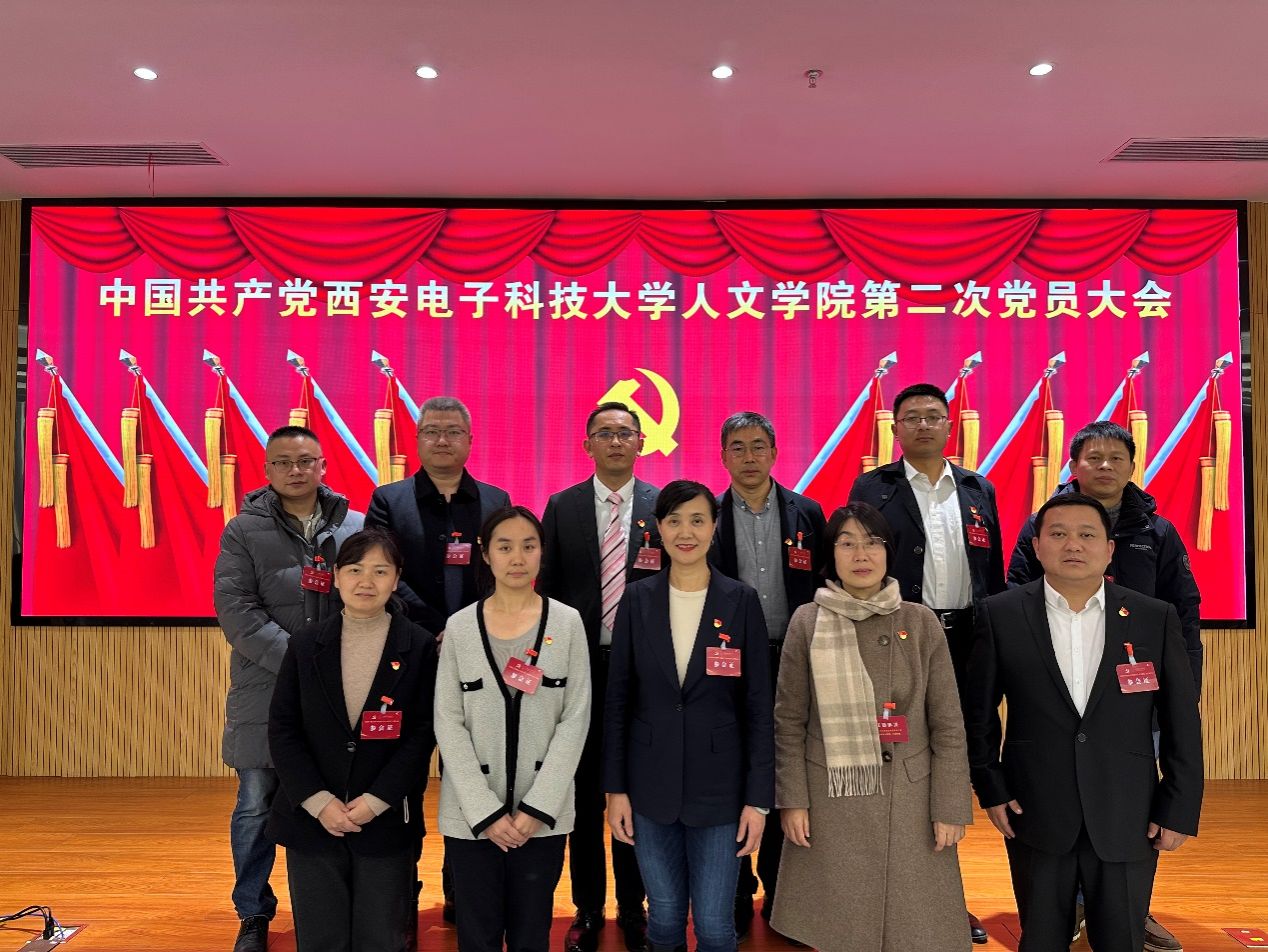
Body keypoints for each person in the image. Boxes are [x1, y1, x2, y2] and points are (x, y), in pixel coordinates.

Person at [967, 493, 1204, 952]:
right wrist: (991, 787)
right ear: (1037, 547)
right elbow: (978, 714)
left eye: (1087, 534)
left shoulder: (1153, 617)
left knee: (1122, 939)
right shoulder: (1001, 614)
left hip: (1128, 811)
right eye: (1058, 534)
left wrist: (1179, 805)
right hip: (1033, 810)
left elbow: (1181, 719)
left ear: (1109, 549)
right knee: (1041, 939)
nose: (1072, 544)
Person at [769, 502, 972, 950]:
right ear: (832, 554)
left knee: (912, 932)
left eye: (872, 542)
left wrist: (951, 805)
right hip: (830, 796)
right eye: (847, 543)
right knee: (839, 929)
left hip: (910, 800)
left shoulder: (920, 622)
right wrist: (793, 801)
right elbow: (789, 721)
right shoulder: (808, 621)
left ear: (888, 552)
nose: (861, 554)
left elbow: (948, 725)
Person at [849, 381, 1004, 944]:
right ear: (895, 429)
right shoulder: (874, 487)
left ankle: (946, 896)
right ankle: (890, 893)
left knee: (955, 760)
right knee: (903, 760)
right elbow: (858, 564)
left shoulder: (977, 488)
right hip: (902, 636)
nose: (922, 425)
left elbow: (993, 573)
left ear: (949, 425)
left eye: (933, 416)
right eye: (911, 417)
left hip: (969, 641)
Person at [604, 480, 775, 952]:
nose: (686, 532)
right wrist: (615, 790)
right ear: (658, 528)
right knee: (663, 920)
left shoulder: (740, 601)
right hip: (649, 786)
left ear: (714, 527)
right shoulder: (637, 599)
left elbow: (759, 707)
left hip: (721, 791)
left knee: (716, 926)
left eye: (698, 520)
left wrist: (758, 800)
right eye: (674, 521)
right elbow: (618, 701)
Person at [214, 425, 365, 952]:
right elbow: (237, 612)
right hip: (266, 689)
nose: (295, 471)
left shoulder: (355, 527)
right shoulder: (242, 531)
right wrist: (303, 661)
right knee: (256, 804)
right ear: (267, 471)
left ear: (323, 465)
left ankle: (327, 906)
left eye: (305, 461)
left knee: (333, 802)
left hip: (338, 690)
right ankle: (253, 912)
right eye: (283, 462)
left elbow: (369, 600)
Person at [364, 394, 510, 921]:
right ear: (418, 440)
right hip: (410, 654)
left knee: (471, 771)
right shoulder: (389, 500)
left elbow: (502, 572)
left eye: (453, 431)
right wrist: (435, 630)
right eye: (432, 431)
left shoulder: (495, 499)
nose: (442, 440)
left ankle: (460, 886)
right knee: (399, 775)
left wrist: (466, 630)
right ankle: (401, 892)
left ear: (470, 441)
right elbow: (384, 571)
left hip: (478, 656)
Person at [267, 528, 438, 952]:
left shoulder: (417, 645)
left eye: (380, 571)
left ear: (396, 579)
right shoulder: (306, 644)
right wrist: (318, 801)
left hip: (385, 820)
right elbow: (283, 728)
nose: (367, 581)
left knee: (382, 938)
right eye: (356, 570)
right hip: (313, 820)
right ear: (337, 576)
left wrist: (376, 801)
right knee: (320, 939)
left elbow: (422, 734)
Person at [434, 506, 592, 952]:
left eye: (528, 546)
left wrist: (537, 809)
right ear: (485, 554)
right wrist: (484, 811)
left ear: (542, 552)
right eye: (504, 547)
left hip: (541, 819)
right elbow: (448, 721)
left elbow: (575, 718)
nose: (517, 558)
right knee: (476, 935)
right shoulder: (460, 627)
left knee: (531, 934)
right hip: (471, 818)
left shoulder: (567, 623)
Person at [539, 401, 661, 952]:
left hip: (643, 668)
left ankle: (635, 909)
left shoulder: (662, 505)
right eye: (605, 433)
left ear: (641, 443)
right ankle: (587, 909)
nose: (616, 441)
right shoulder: (562, 506)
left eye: (625, 433)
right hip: (579, 667)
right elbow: (546, 589)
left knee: (636, 789)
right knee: (585, 794)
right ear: (587, 444)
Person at [708, 411, 826, 937]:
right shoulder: (707, 516)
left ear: (775, 453)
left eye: (758, 446)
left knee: (785, 773)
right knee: (733, 771)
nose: (749, 457)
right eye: (738, 447)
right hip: (726, 661)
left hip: (794, 659)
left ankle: (782, 893)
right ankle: (735, 889)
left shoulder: (808, 513)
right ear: (723, 457)